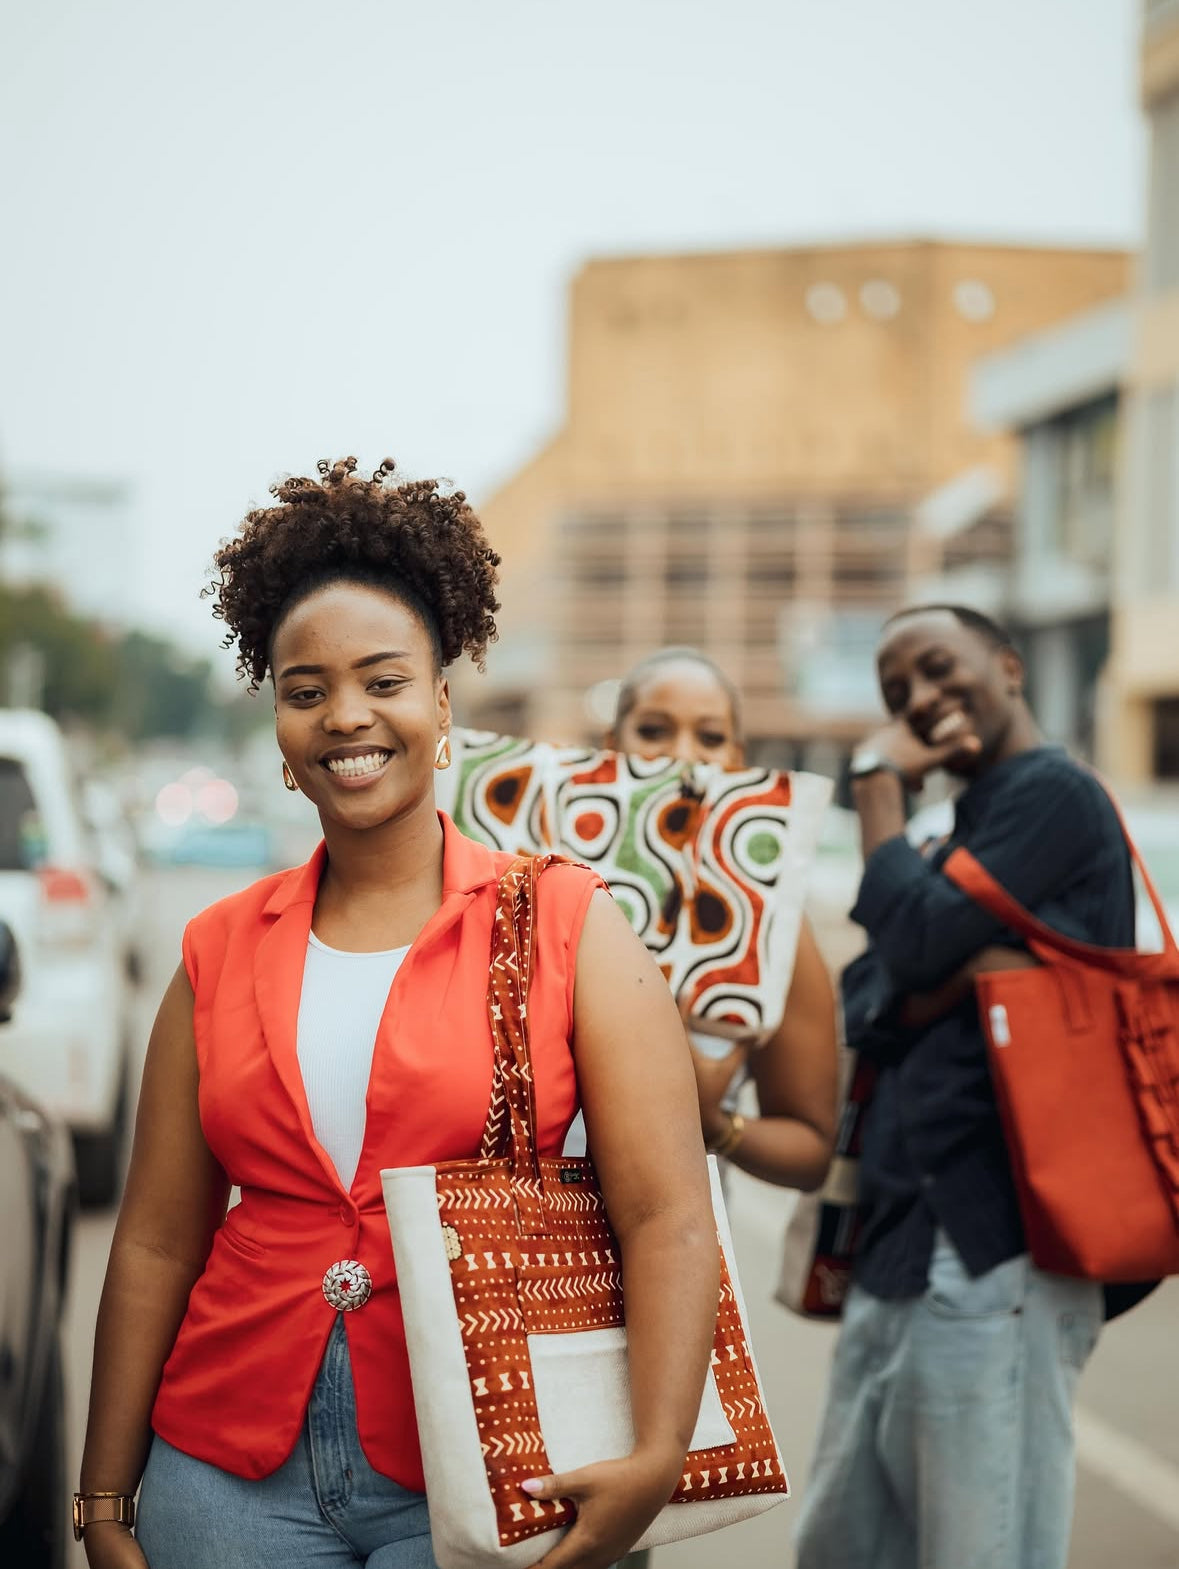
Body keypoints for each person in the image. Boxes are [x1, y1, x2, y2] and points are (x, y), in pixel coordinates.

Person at [76, 457, 720, 1569]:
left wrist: (657, 1450)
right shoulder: (217, 948)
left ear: (443, 702)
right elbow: (154, 1239)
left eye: (383, 680)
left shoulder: (565, 922)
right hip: (226, 1477)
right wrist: (100, 1497)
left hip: (492, 1457)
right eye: (305, 689)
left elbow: (666, 1213)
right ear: (277, 722)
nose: (346, 717)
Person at [795, 604, 1135, 1569]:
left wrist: (875, 788)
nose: (923, 699)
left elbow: (902, 945)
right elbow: (871, 994)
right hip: (902, 1236)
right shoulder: (956, 835)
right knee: (844, 1545)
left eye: (941, 670)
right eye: (898, 693)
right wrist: (954, 957)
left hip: (1000, 1243)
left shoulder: (1055, 795)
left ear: (1009, 665)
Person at [605, 647, 839, 1193]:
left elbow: (809, 1150)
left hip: (689, 1242)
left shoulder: (767, 923)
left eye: (709, 738)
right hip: (529, 1245)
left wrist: (711, 1123)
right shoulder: (539, 871)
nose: (684, 755)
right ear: (612, 747)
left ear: (737, 757)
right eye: (655, 730)